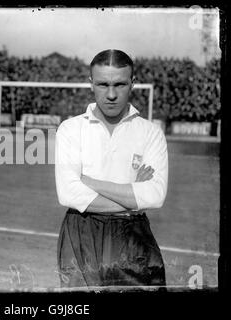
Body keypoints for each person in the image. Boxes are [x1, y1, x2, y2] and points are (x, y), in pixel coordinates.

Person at [55, 49, 168, 289]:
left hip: (132, 234)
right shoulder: (71, 129)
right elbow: (68, 193)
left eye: (120, 84)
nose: (111, 94)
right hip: (81, 231)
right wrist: (134, 196)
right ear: (91, 84)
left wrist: (90, 182)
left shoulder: (150, 133)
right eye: (103, 84)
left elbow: (155, 196)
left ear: (133, 84)